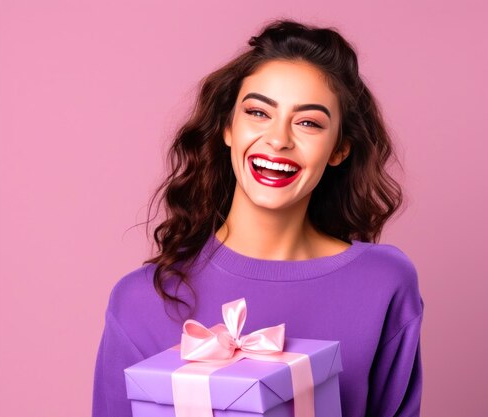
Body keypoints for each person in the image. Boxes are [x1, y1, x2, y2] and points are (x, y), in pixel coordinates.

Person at [92, 18, 424, 417]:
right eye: (258, 113)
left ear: (339, 149)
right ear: (228, 128)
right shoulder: (142, 301)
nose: (279, 139)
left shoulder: (383, 283)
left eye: (308, 122)